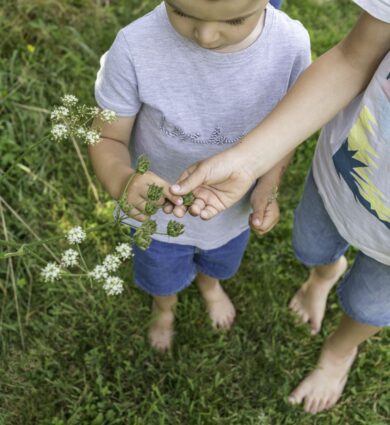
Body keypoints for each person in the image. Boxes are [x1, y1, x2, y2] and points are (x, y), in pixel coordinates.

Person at [169, 0, 390, 414]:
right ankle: (323, 277)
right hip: (342, 176)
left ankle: (340, 352)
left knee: (367, 304)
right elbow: (351, 59)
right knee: (311, 247)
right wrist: (249, 161)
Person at [89, 0, 311, 352]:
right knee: (160, 273)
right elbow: (107, 135)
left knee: (220, 260)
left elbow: (289, 128)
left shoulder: (290, 45)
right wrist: (121, 179)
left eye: (235, 19)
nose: (206, 36)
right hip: (156, 214)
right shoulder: (135, 46)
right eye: (182, 12)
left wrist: (268, 186)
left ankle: (210, 285)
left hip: (229, 211)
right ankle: (164, 308)